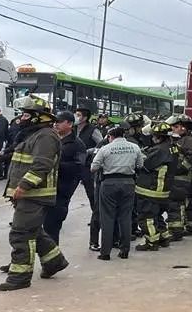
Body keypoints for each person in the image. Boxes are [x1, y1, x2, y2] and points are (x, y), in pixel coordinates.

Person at [0, 96, 69, 291]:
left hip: (34, 194)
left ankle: (19, 277)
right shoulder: (33, 134)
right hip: (29, 194)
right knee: (34, 231)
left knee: (21, 234)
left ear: (39, 117)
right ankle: (54, 261)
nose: (22, 118)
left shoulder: (45, 136)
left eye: (26, 114)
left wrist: (23, 186)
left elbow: (42, 165)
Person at [91, 126, 142, 261]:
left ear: (110, 136)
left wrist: (105, 165)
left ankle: (105, 253)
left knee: (107, 218)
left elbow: (93, 167)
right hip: (129, 183)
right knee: (125, 217)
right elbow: (140, 165)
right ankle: (124, 251)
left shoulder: (105, 149)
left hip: (109, 184)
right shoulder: (135, 147)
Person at [42, 111, 86, 244]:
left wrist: (56, 164)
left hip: (61, 192)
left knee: (51, 229)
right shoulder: (51, 139)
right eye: (55, 122)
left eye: (59, 122)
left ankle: (52, 262)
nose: (56, 124)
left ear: (70, 124)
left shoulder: (77, 145)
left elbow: (79, 168)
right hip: (45, 189)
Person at [135, 121, 177, 251]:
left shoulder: (159, 150)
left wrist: (141, 155)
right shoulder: (172, 147)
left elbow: (145, 164)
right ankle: (163, 237)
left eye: (153, 136)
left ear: (158, 137)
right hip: (163, 190)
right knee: (157, 215)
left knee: (146, 217)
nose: (152, 138)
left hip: (151, 190)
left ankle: (152, 242)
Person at [74, 106, 103, 250]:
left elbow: (102, 144)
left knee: (92, 193)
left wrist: (88, 151)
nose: (76, 116)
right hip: (74, 165)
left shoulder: (92, 130)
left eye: (78, 115)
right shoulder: (73, 129)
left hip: (87, 166)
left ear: (85, 118)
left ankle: (96, 217)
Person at [166, 114, 192, 240]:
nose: (173, 129)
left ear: (183, 128)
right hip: (174, 178)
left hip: (181, 178)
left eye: (176, 126)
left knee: (176, 204)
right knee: (174, 204)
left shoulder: (188, 140)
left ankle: (176, 231)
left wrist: (180, 169)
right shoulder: (176, 140)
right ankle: (175, 229)